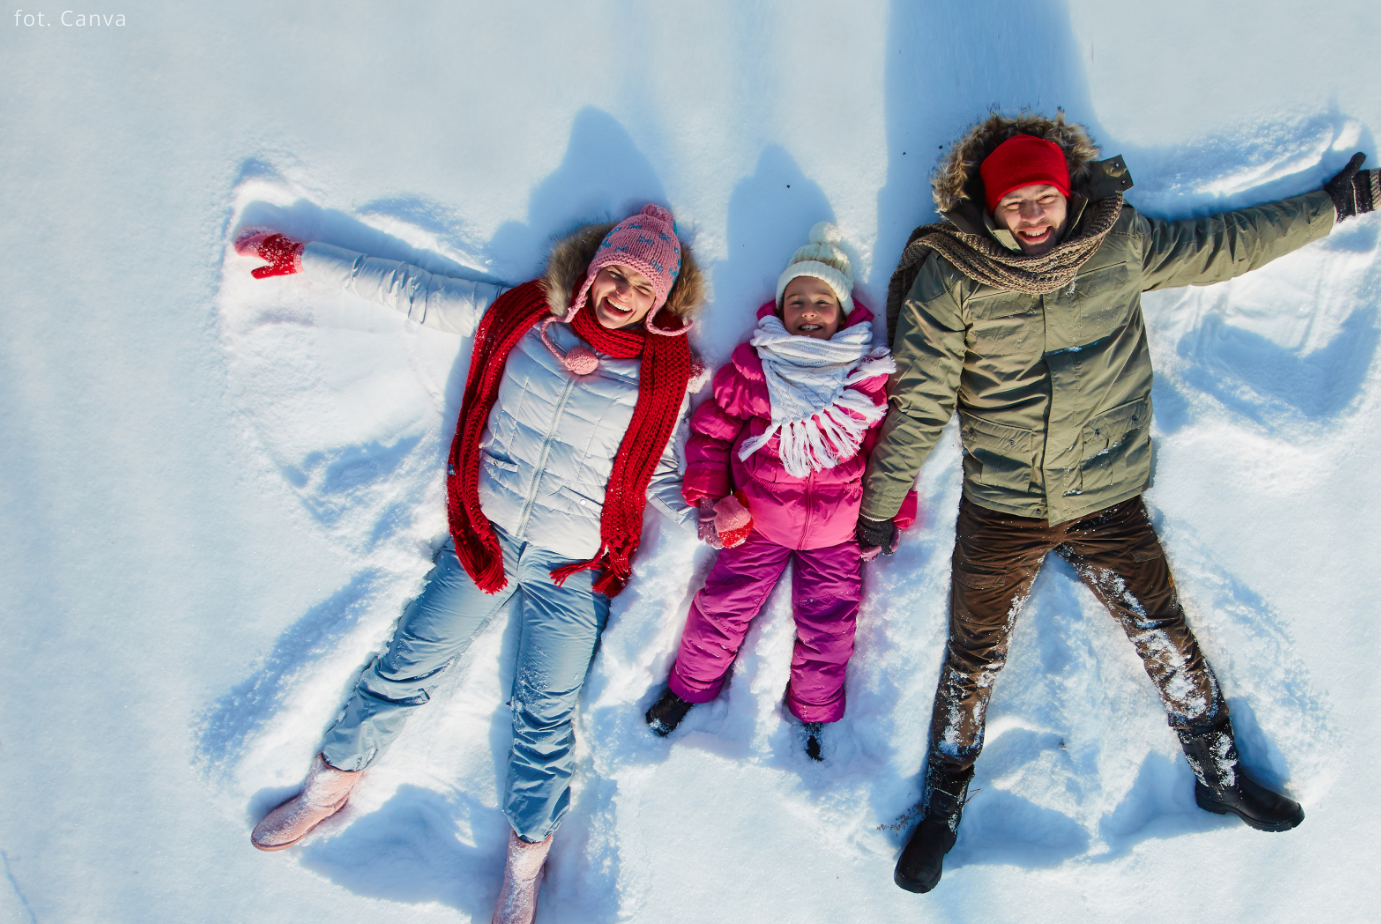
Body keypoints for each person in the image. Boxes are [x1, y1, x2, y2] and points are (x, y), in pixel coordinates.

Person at [857, 111, 1381, 892]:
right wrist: (882, 503)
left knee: (1163, 630)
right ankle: (943, 808)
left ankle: (1218, 770)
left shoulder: (1115, 241)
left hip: (1107, 493)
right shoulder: (953, 276)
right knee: (974, 653)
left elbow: (1224, 245)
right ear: (990, 207)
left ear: (1069, 194)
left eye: (1044, 196)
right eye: (1016, 203)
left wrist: (1333, 206)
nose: (1033, 214)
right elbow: (923, 400)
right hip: (1003, 505)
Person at [237, 205, 705, 924]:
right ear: (589, 272)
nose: (621, 294)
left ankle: (524, 866)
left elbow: (659, 474)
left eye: (641, 287)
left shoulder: (664, 379)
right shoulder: (522, 317)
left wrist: (708, 513)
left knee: (545, 719)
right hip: (483, 538)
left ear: (662, 301)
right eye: (613, 274)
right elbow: (414, 290)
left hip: (570, 569)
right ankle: (325, 792)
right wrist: (306, 258)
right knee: (403, 668)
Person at [643, 224, 915, 760]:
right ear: (781, 308)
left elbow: (888, 449)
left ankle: (815, 713)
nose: (809, 311)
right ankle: (687, 689)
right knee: (722, 608)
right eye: (798, 301)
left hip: (838, 533)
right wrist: (706, 490)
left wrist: (893, 512)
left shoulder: (864, 376)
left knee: (829, 625)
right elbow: (715, 428)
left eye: (821, 301)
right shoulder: (754, 366)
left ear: (842, 311)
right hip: (757, 521)